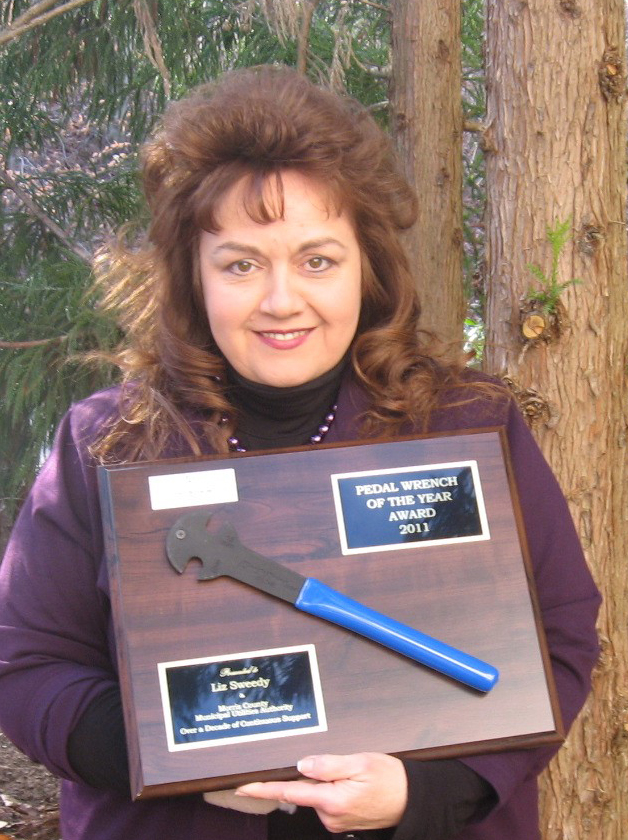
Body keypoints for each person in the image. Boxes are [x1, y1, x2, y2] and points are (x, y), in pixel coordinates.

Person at [0, 65, 600, 840]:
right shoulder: (103, 446)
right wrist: (174, 756)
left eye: (317, 260)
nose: (281, 300)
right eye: (241, 264)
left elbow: (559, 638)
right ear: (193, 274)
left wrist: (427, 793)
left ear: (367, 267)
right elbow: (26, 668)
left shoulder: (467, 423)